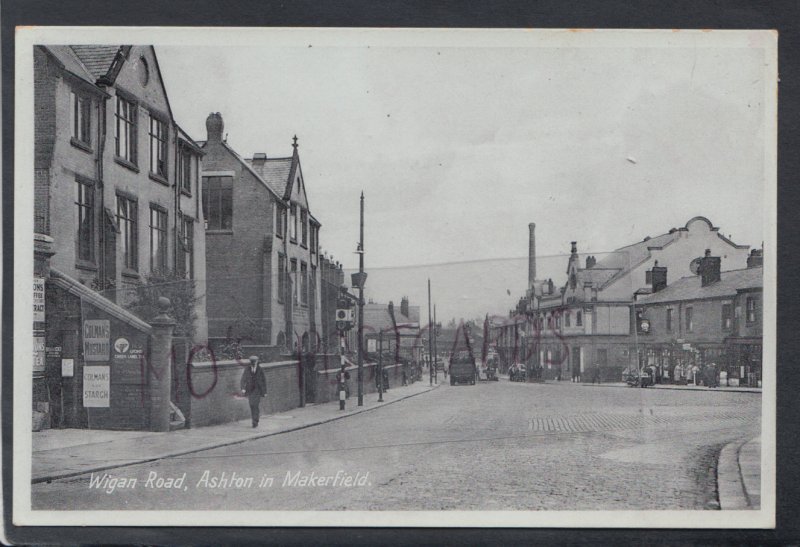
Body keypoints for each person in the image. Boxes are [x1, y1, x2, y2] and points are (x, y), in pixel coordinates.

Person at [240, 355, 267, 428]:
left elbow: (263, 381)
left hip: (258, 390)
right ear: (251, 362)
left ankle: (255, 421)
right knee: (252, 405)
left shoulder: (260, 369)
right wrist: (243, 388)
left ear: (257, 362)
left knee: (256, 405)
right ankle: (255, 419)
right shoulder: (247, 369)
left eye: (255, 362)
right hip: (250, 390)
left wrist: (264, 392)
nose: (254, 363)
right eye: (252, 362)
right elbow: (243, 379)